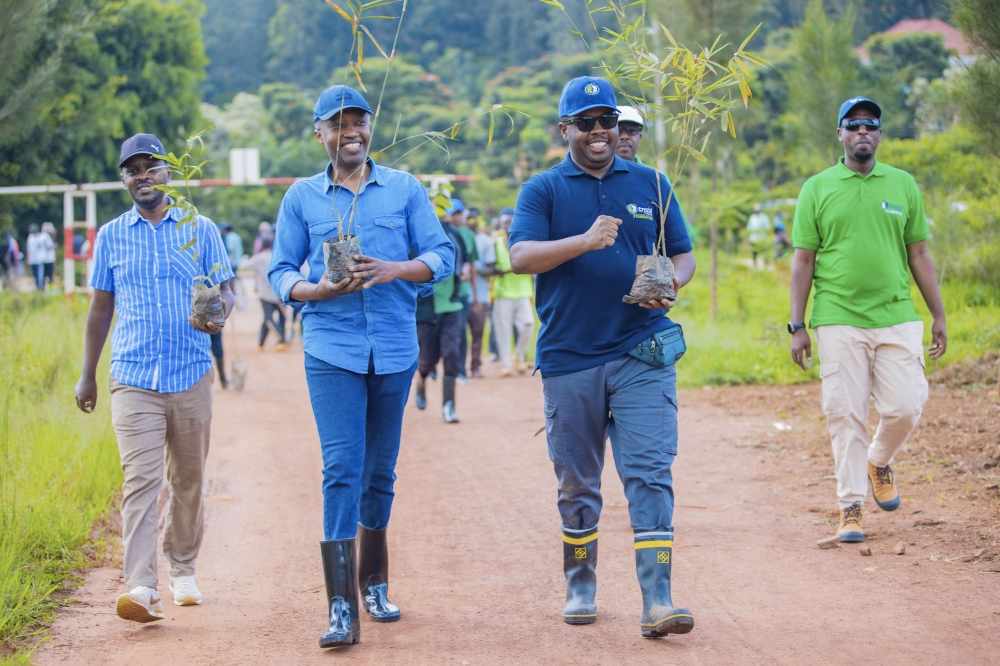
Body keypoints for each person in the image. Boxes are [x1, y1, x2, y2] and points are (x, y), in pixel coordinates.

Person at [509, 76, 696, 638]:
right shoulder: (542, 190)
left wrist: (674, 285)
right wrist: (584, 242)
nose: (598, 132)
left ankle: (658, 597)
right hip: (570, 357)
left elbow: (683, 256)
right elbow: (519, 257)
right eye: (586, 122)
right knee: (577, 481)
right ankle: (581, 582)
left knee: (650, 472)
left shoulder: (654, 183)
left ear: (619, 128)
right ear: (564, 129)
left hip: (643, 350)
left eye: (607, 122)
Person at [268, 85, 454, 648]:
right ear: (319, 132)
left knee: (380, 472)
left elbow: (442, 257)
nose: (351, 131)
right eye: (338, 123)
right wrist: (317, 289)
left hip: (396, 349)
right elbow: (279, 273)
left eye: (359, 121)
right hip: (332, 351)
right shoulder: (302, 197)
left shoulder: (404, 188)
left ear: (370, 127)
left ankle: (375, 582)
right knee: (341, 468)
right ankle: (341, 606)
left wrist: (399, 268)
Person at [74, 133, 235, 623]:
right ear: (123, 179)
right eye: (131, 169)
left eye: (151, 167)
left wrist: (216, 314)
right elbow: (100, 309)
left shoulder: (199, 228)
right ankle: (141, 586)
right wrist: (88, 376)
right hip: (133, 375)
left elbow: (226, 290)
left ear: (168, 172)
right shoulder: (112, 236)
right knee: (140, 480)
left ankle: (182, 565)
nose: (142, 176)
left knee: (187, 478)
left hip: (190, 373)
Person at [789, 96, 947, 543]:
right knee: (845, 414)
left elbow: (919, 252)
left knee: (905, 406)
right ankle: (851, 506)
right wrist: (797, 325)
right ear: (839, 134)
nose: (863, 131)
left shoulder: (902, 185)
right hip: (838, 317)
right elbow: (803, 261)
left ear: (879, 135)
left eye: (870, 125)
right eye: (853, 125)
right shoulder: (817, 188)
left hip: (897, 315)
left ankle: (878, 460)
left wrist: (938, 313)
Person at [615, 105, 698, 248]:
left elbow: (681, 244)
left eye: (632, 130)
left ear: (639, 136)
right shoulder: (593, 179)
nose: (624, 136)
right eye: (618, 129)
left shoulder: (656, 181)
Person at [414, 210, 468, 422]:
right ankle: (422, 381)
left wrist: (463, 275)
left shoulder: (454, 236)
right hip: (426, 310)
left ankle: (449, 405)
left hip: (452, 307)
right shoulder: (414, 243)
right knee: (427, 359)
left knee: (452, 353)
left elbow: (465, 262)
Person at [492, 210, 534, 377]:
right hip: (503, 293)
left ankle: (518, 356)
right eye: (505, 222)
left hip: (524, 292)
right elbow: (490, 266)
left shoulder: (525, 242)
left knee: (528, 325)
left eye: (511, 222)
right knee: (504, 331)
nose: (508, 225)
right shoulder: (494, 243)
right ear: (501, 225)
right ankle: (506, 365)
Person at [443, 199, 477, 382]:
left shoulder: (468, 235)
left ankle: (461, 370)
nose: (455, 217)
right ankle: (429, 369)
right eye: (452, 213)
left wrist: (476, 296)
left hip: (461, 293)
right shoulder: (437, 231)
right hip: (438, 295)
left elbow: (471, 265)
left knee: (460, 333)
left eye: (458, 213)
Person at [243, 236, 289, 351]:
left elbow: (244, 266)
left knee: (268, 318)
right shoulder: (274, 256)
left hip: (265, 293)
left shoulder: (259, 258)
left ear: (261, 245)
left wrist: (244, 258)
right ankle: (261, 343)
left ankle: (282, 338)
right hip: (276, 292)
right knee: (267, 318)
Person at [468, 206, 497, 378]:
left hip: (481, 295)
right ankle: (458, 368)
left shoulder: (486, 241)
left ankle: (475, 366)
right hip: (462, 295)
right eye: (467, 218)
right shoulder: (459, 237)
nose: (470, 221)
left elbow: (491, 268)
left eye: (473, 218)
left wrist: (474, 269)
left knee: (478, 332)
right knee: (458, 336)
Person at [26, 223, 55, 291]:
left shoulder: (40, 237)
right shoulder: (43, 237)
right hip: (43, 259)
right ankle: (41, 288)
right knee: (44, 276)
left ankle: (40, 288)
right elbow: (50, 247)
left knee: (42, 276)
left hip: (40, 259)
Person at [746, 204, 771, 269]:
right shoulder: (752, 218)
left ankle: (766, 266)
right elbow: (749, 228)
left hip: (762, 238)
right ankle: (755, 266)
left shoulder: (764, 217)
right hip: (754, 238)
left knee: (764, 252)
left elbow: (767, 227)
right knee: (754, 253)